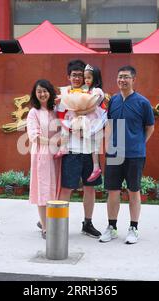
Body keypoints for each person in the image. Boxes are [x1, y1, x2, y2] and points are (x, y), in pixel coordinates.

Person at [100, 66, 155, 244]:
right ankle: (112, 227)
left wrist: (139, 143)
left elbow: (150, 127)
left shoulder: (143, 102)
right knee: (113, 191)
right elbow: (108, 124)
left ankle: (133, 228)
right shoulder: (114, 101)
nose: (122, 80)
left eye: (126, 77)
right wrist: (108, 146)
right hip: (115, 152)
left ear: (133, 80)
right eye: (120, 77)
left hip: (134, 154)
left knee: (133, 191)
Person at [56, 59, 105, 238]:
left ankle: (88, 223)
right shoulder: (64, 95)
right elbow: (60, 117)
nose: (78, 78)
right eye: (74, 75)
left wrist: (90, 129)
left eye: (81, 75)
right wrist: (73, 128)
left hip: (90, 147)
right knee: (67, 187)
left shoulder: (93, 93)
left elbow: (103, 116)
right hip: (71, 148)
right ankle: (58, 224)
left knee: (90, 188)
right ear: (68, 76)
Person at [26, 79, 61, 239]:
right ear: (35, 94)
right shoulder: (34, 112)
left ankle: (46, 220)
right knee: (43, 190)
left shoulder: (56, 110)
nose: (42, 94)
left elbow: (65, 126)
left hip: (57, 156)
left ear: (50, 92)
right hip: (42, 155)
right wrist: (53, 142)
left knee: (55, 189)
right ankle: (46, 227)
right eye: (39, 91)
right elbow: (34, 136)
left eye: (45, 91)